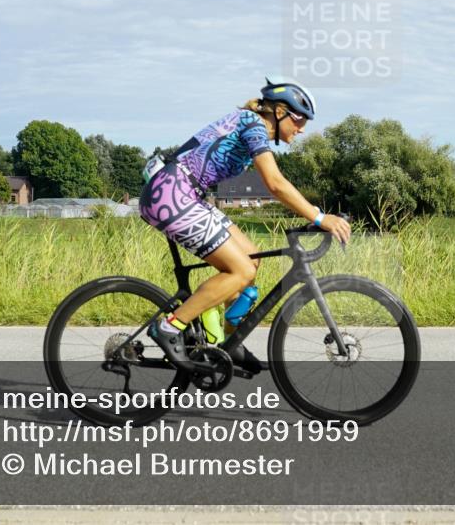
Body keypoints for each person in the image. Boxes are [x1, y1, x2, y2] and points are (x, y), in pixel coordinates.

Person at [139, 77, 352, 373]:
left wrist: (315, 210)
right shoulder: (253, 125)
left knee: (251, 260)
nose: (302, 128)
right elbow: (275, 183)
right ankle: (169, 328)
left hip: (184, 194)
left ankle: (228, 340)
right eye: (299, 119)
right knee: (239, 271)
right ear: (278, 112)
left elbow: (275, 185)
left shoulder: (252, 126)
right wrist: (318, 218)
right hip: (172, 195)